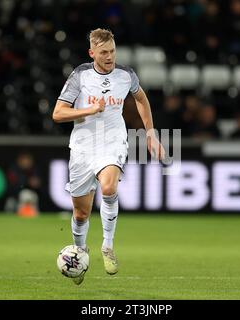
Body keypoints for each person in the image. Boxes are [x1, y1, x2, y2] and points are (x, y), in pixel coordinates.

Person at [52, 28, 165, 285]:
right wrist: (90, 110)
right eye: (103, 52)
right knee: (81, 214)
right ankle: (80, 254)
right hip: (82, 146)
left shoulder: (126, 75)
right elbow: (58, 113)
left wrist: (150, 133)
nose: (109, 56)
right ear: (92, 53)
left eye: (112, 51)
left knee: (109, 185)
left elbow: (141, 98)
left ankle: (107, 245)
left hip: (113, 141)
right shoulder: (80, 75)